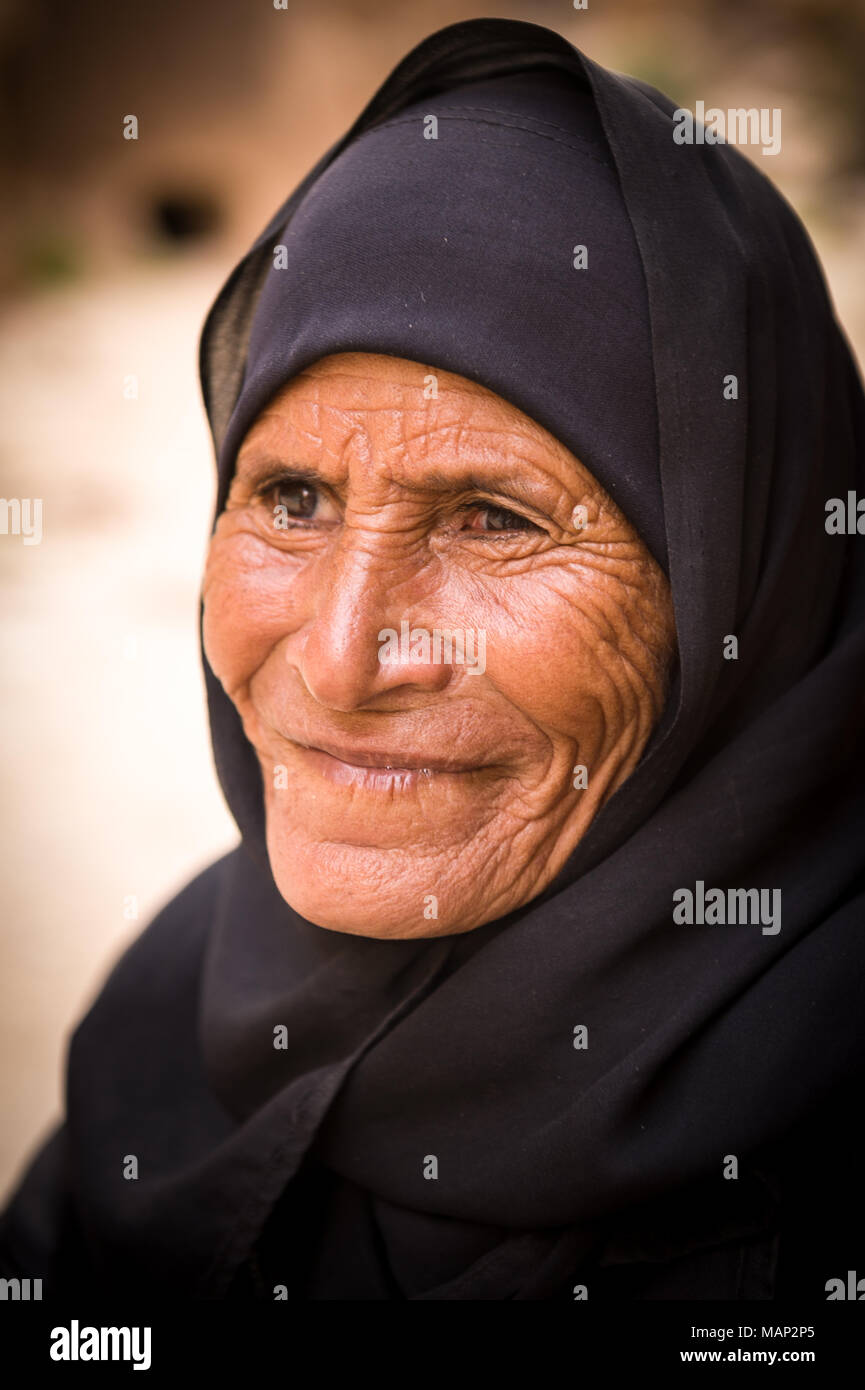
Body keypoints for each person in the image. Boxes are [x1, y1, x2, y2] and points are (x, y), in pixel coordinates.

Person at [2, 17, 863, 1301]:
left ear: (756, 573)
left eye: (494, 519)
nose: (345, 658)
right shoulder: (178, 1012)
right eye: (290, 498)